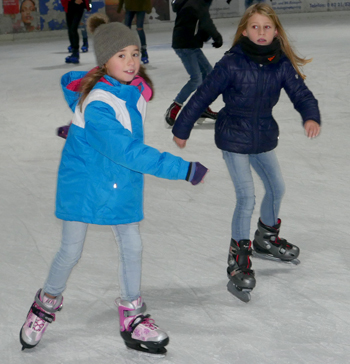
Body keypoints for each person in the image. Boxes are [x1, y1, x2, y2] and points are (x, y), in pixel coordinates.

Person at [19, 13, 208, 356]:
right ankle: (45, 304)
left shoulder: (130, 90)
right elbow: (127, 149)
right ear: (105, 61)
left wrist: (76, 132)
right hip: (85, 184)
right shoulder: (99, 102)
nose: (131, 62)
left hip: (118, 180)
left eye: (135, 53)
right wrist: (181, 169)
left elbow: (111, 134)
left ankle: (133, 318)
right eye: (121, 55)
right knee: (71, 250)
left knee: (132, 246)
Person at [172, 4, 321, 302]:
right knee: (246, 197)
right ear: (244, 31)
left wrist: (310, 114)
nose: (261, 33)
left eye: (267, 27)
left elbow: (300, 93)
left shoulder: (280, 64)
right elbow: (204, 94)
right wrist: (182, 126)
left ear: (276, 31)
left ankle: (265, 239)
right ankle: (238, 258)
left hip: (263, 135)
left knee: (277, 188)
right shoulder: (231, 63)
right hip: (233, 137)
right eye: (255, 27)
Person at [165, 0, 223, 127]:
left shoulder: (193, 3)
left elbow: (199, 23)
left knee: (208, 72)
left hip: (191, 44)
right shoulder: (197, 3)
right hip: (184, 45)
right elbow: (206, 21)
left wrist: (204, 36)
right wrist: (217, 37)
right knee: (196, 79)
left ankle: (202, 108)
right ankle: (174, 107)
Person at [117, 0, 152, 64]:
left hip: (141, 8)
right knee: (127, 30)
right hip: (129, 7)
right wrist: (119, 7)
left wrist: (148, 7)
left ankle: (144, 51)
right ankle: (126, 50)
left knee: (139, 29)